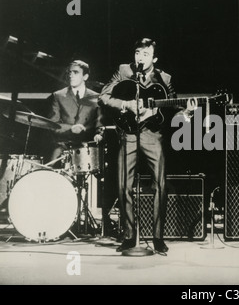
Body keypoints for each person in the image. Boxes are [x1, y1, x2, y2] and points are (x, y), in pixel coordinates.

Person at [99, 38, 194, 253]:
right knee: (124, 185)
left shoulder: (164, 78)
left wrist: (186, 112)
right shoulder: (123, 71)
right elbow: (104, 96)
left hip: (153, 134)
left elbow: (173, 106)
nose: (140, 57)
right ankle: (130, 236)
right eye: (138, 53)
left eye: (146, 54)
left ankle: (158, 237)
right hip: (129, 133)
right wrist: (126, 104)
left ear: (154, 58)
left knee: (160, 185)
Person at [48, 60, 104, 168]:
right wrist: (71, 128)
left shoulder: (96, 97)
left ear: (85, 77)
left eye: (75, 72)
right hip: (63, 146)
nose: (71, 76)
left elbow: (100, 124)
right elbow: (52, 125)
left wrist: (99, 135)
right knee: (51, 170)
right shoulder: (58, 95)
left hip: (87, 148)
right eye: (69, 72)